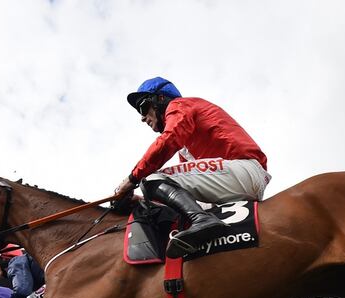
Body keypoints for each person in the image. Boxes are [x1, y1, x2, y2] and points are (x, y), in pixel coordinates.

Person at [115, 77, 271, 258]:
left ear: (160, 99)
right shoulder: (185, 147)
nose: (142, 118)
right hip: (237, 179)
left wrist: (132, 179)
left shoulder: (179, 105)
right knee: (168, 200)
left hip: (243, 170)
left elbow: (168, 141)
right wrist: (141, 199)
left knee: (149, 178)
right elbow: (181, 190)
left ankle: (203, 220)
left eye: (143, 107)